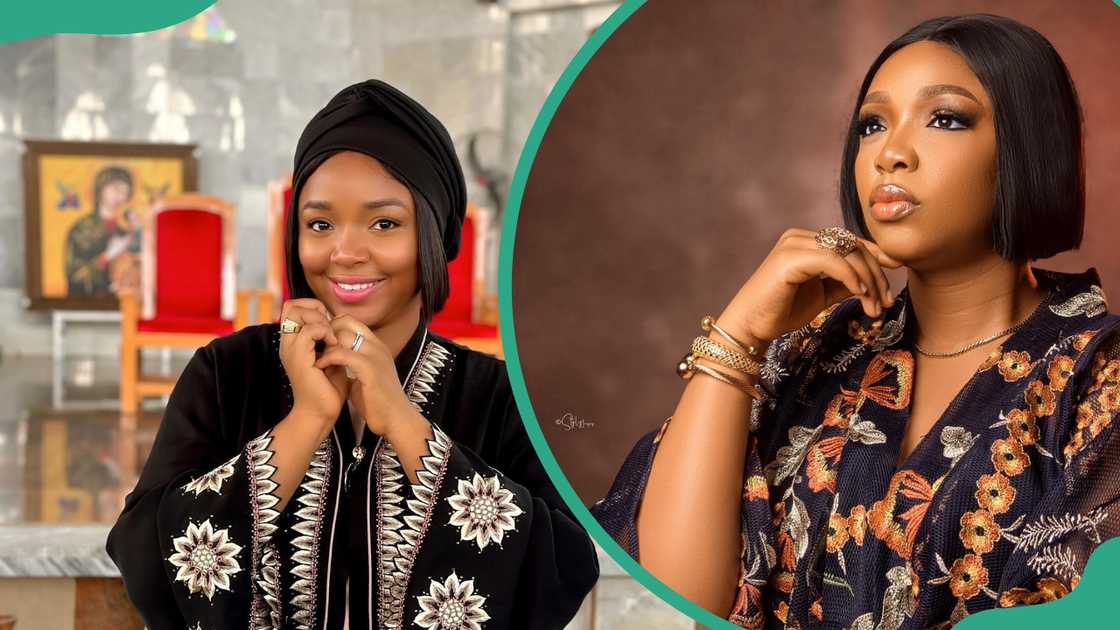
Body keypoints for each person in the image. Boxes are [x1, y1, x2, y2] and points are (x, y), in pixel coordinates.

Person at [592, 14, 1120, 630]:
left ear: (1030, 146)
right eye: (872, 124)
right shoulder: (819, 355)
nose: (890, 154)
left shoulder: (1096, 378)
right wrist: (738, 338)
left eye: (945, 118)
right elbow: (669, 598)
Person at [107, 79, 599, 630]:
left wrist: (404, 423)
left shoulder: (498, 395)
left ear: (433, 235)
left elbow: (560, 571)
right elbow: (144, 560)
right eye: (319, 224)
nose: (344, 252)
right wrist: (306, 420)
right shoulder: (227, 373)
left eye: (384, 223)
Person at [64, 165, 137, 296]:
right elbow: (75, 278)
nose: (120, 195)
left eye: (125, 191)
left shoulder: (128, 228)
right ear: (100, 190)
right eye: (115, 188)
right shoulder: (82, 229)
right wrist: (107, 256)